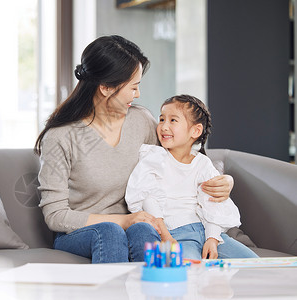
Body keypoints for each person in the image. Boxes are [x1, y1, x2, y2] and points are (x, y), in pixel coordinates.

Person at [34, 35, 235, 263]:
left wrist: (224, 182)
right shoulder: (61, 136)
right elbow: (55, 216)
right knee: (110, 231)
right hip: (82, 233)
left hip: (136, 224)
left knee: (143, 231)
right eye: (134, 87)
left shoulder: (141, 120)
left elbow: (177, 163)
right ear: (106, 87)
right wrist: (123, 221)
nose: (138, 94)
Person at [125, 94, 259, 260]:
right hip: (176, 235)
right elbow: (147, 199)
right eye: (161, 119)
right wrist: (166, 237)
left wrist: (212, 239)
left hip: (207, 232)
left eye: (173, 120)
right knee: (192, 274)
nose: (164, 126)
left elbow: (213, 204)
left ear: (195, 131)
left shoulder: (202, 163)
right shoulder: (154, 157)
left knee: (253, 264)